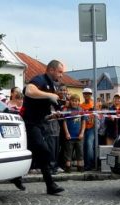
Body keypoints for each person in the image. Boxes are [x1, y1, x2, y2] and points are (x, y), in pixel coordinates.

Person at [20, 59, 65, 195]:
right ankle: (49, 184)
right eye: (60, 72)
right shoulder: (39, 79)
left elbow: (42, 108)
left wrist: (52, 115)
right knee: (43, 151)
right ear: (51, 70)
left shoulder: (52, 85)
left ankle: (50, 185)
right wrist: (50, 95)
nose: (61, 75)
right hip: (30, 123)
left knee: (34, 153)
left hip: (40, 123)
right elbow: (29, 91)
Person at [62, 94, 86, 173]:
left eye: (76, 101)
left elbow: (83, 122)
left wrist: (82, 133)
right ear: (70, 101)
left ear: (79, 102)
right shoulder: (67, 110)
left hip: (79, 136)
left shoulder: (81, 110)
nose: (74, 102)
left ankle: (80, 167)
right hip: (69, 136)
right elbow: (64, 122)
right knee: (68, 152)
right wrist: (67, 133)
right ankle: (68, 168)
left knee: (80, 152)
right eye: (72, 101)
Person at [80, 87, 95, 171]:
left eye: (88, 94)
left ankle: (90, 164)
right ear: (83, 95)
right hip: (82, 128)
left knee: (89, 145)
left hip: (91, 127)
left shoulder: (94, 105)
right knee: (84, 146)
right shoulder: (81, 105)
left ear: (91, 95)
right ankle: (86, 164)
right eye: (85, 94)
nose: (86, 95)